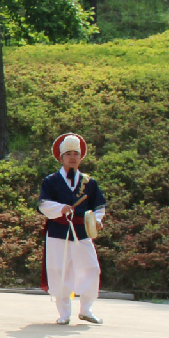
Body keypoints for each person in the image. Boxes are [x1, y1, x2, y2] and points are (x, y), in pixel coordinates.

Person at [38, 133, 108, 325]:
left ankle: (86, 309)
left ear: (80, 157)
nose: (72, 157)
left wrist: (97, 220)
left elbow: (99, 207)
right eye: (68, 153)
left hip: (82, 231)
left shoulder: (89, 183)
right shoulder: (50, 181)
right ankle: (64, 313)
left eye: (75, 153)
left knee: (91, 268)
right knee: (59, 271)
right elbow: (43, 205)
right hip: (58, 232)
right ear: (61, 157)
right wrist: (61, 209)